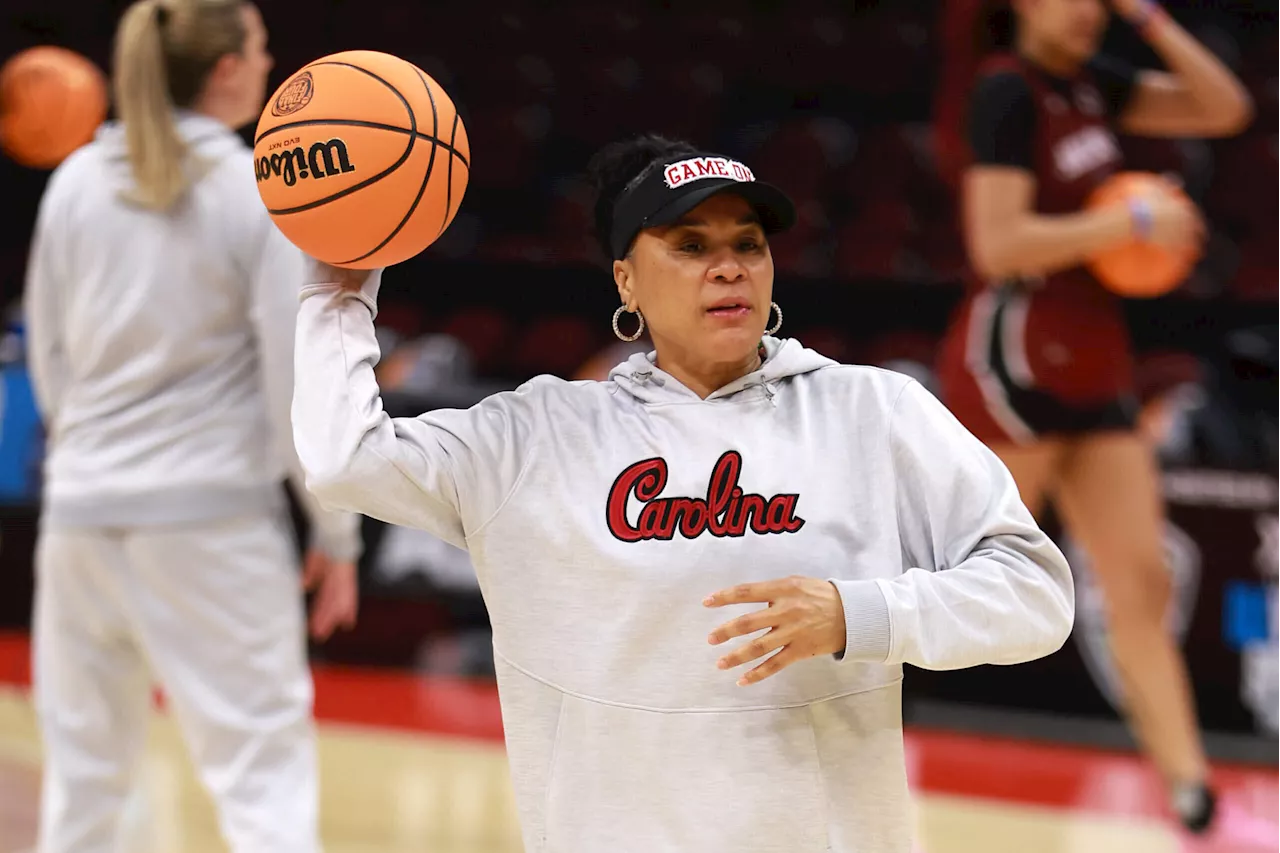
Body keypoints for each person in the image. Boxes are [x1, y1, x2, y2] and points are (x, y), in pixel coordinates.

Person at [289, 133, 1075, 853]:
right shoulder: (541, 434)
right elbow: (344, 457)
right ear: (625, 279)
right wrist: (340, 286)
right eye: (691, 245)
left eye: (748, 244)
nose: (728, 266)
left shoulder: (872, 411)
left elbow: (1036, 594)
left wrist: (860, 613)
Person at [932, 0, 1278, 849]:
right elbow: (999, 242)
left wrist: (1150, 19)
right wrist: (1129, 222)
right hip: (1013, 361)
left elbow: (1225, 107)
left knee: (1142, 585)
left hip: (1094, 358)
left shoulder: (1092, 87)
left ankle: (1190, 790)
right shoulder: (1004, 91)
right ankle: (816, 713)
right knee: (953, 573)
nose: (1087, 9)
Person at [23, 2, 362, 851]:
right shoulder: (256, 189)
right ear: (225, 70)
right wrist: (337, 531)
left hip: (80, 517)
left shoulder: (73, 182)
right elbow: (295, 383)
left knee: (84, 786)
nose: (270, 59)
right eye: (261, 47)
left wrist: (95, 461)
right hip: (209, 521)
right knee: (261, 783)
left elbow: (49, 361)